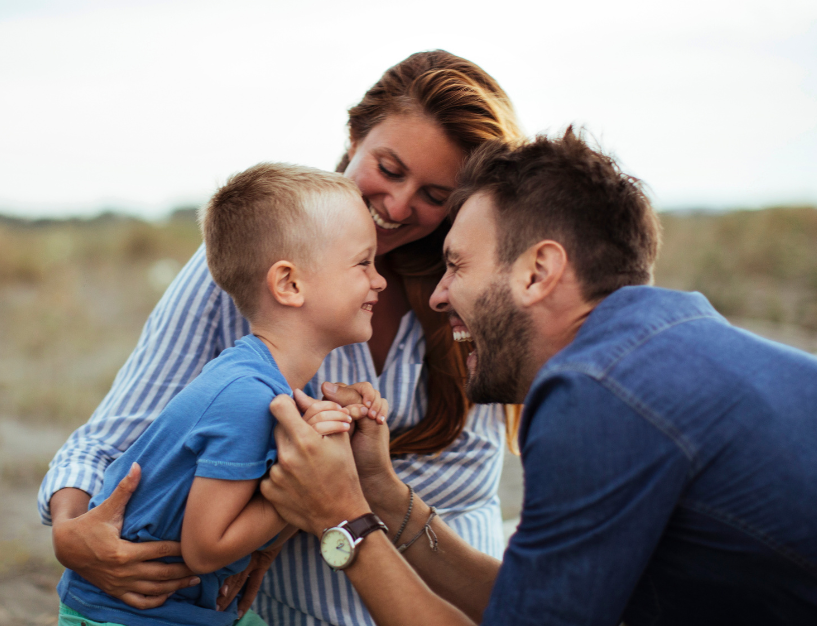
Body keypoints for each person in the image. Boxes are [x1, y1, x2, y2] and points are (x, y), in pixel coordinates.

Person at [260, 129, 817, 626]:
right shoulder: (661, 357)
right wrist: (381, 496)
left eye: (457, 264)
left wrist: (341, 519)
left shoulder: (599, 394)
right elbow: (528, 605)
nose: (440, 297)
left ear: (538, 271)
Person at [38, 51, 525, 625]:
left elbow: (447, 488)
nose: (397, 205)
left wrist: (333, 490)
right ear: (354, 136)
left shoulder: (470, 294)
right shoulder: (259, 263)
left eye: (435, 195)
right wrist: (73, 534)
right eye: (389, 170)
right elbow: (120, 434)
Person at [55, 163, 390, 626]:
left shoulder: (279, 382)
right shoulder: (245, 398)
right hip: (128, 616)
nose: (380, 280)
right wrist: (301, 489)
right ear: (290, 284)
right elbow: (205, 547)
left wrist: (341, 428)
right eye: (363, 262)